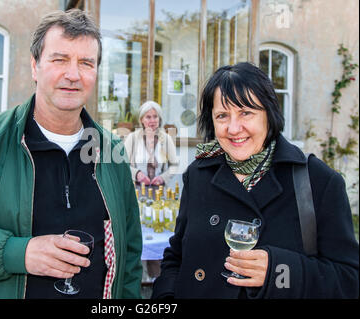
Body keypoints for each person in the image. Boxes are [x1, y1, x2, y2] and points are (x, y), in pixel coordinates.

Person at [0, 9, 142, 299]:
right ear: (35, 66)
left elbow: (130, 253)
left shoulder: (111, 150)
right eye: (59, 59)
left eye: (86, 63)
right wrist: (17, 253)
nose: (73, 74)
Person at [151, 62, 359, 299]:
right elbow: (176, 257)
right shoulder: (199, 174)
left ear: (268, 114)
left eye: (246, 112)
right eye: (222, 115)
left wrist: (277, 271)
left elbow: (348, 280)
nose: (233, 128)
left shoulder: (317, 181)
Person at [124, 101, 178, 186]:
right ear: (141, 120)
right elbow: (122, 164)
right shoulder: (132, 138)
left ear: (159, 119)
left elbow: (175, 165)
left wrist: (163, 178)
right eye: (148, 117)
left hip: (159, 190)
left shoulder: (166, 139)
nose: (152, 120)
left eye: (155, 116)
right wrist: (137, 174)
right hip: (135, 189)